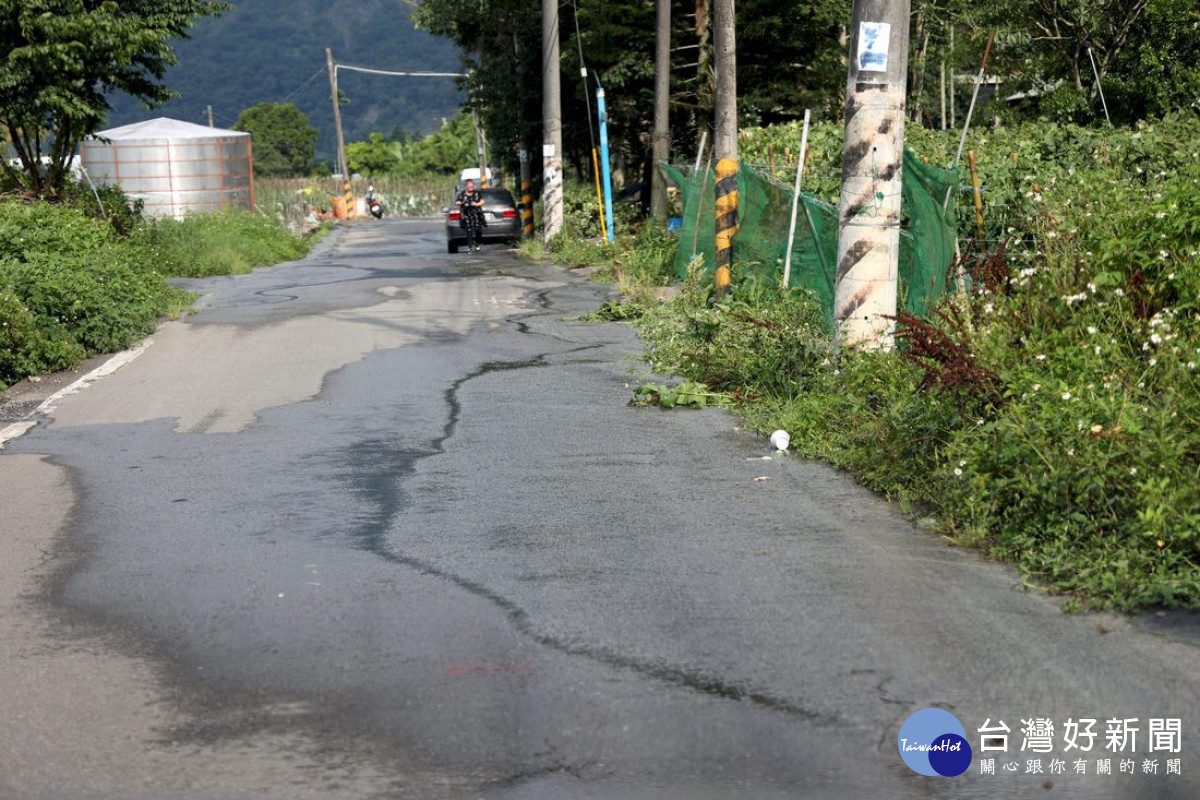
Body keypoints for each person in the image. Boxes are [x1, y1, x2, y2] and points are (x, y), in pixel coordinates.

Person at [454, 179, 485, 252]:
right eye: (469, 186)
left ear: (474, 186)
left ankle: (477, 243)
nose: (471, 187)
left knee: (478, 230)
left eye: (472, 186)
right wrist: (462, 202)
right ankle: (470, 246)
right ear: (466, 187)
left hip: (477, 214)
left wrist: (476, 204)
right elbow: (457, 202)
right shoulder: (462, 194)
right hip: (466, 214)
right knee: (469, 230)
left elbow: (482, 201)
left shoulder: (477, 193)